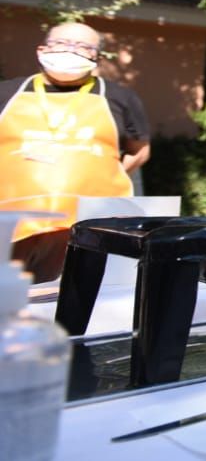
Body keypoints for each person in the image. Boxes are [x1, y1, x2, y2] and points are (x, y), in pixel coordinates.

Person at [0, 21, 151, 278]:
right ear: (41, 49)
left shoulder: (120, 98)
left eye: (83, 46)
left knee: (62, 307)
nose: (71, 50)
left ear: (96, 57)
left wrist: (104, 180)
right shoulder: (7, 92)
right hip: (9, 225)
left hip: (83, 230)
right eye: (61, 43)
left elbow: (139, 151)